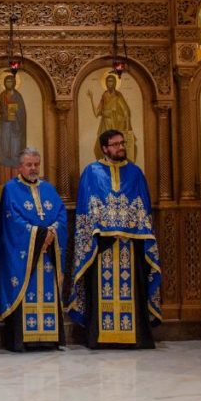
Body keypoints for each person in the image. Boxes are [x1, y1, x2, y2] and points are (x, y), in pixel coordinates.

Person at [68, 129, 161, 349]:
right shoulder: (92, 172)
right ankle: (99, 337)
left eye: (122, 143)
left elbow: (143, 206)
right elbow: (87, 207)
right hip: (101, 246)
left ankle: (136, 337)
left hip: (132, 243)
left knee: (135, 289)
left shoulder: (136, 173)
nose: (121, 147)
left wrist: (127, 225)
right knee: (99, 291)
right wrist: (107, 225)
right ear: (104, 148)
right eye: (115, 144)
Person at [0, 147, 67, 351]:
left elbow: (61, 214)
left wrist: (52, 232)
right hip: (23, 253)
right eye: (29, 165)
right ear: (19, 167)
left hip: (48, 253)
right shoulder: (10, 189)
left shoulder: (49, 189)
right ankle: (22, 340)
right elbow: (11, 219)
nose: (33, 168)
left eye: (36, 164)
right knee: (23, 288)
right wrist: (40, 234)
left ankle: (49, 339)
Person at [0, 74, 28, 184]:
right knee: (4, 151)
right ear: (4, 83)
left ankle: (16, 182)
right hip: (5, 127)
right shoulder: (2, 95)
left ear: (14, 83)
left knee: (15, 152)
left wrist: (14, 113)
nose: (9, 83)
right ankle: (4, 183)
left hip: (16, 129)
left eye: (11, 81)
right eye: (7, 81)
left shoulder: (18, 96)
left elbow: (22, 113)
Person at [87, 74, 135, 160]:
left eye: (111, 81)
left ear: (115, 83)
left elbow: (126, 111)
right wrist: (91, 99)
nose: (109, 83)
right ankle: (104, 165)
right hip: (105, 125)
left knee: (116, 147)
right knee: (98, 148)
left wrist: (128, 128)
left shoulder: (118, 96)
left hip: (115, 124)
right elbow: (97, 113)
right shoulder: (104, 95)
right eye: (108, 81)